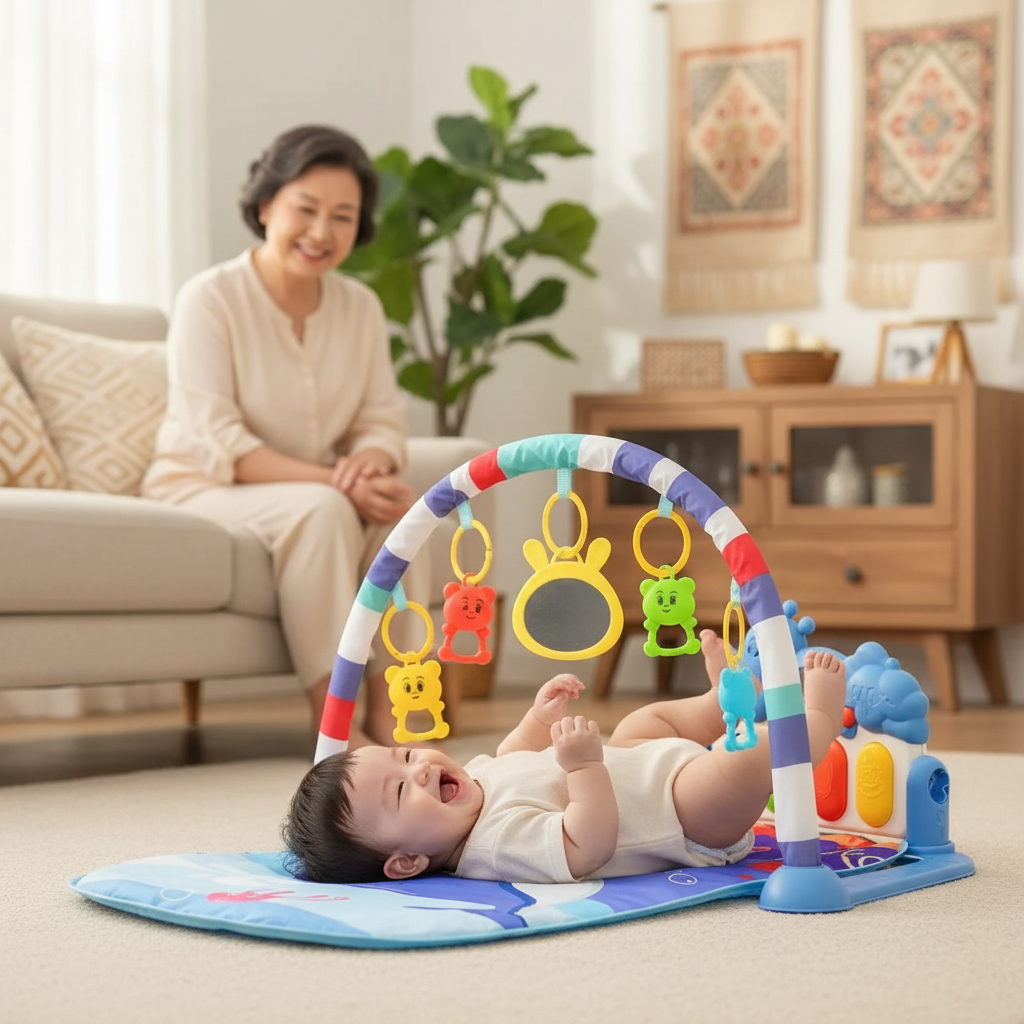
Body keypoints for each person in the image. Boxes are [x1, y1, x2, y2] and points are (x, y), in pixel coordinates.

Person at [142, 125, 424, 745]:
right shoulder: (209, 299)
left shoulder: (361, 308)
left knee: (415, 517)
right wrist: (336, 481)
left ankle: (399, 719)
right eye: (306, 209)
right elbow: (220, 441)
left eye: (343, 216)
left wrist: (369, 464)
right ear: (266, 205)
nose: (322, 232)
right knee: (322, 510)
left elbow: (380, 418)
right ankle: (338, 730)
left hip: (315, 488)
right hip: (202, 484)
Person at [283, 630, 848, 884]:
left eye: (405, 755)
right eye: (402, 790)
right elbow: (588, 842)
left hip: (639, 762)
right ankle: (817, 719)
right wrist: (582, 768)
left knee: (642, 724)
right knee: (740, 763)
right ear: (406, 861)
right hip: (683, 817)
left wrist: (538, 717)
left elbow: (512, 756)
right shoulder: (494, 846)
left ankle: (717, 702)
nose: (420, 768)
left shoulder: (470, 785)